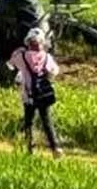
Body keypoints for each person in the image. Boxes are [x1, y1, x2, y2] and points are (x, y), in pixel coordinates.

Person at [11, 28, 62, 157]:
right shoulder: (47, 57)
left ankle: (29, 149)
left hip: (28, 95)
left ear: (28, 42)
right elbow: (55, 71)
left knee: (29, 121)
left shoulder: (21, 56)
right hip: (43, 94)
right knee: (47, 121)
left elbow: (10, 65)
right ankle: (55, 147)